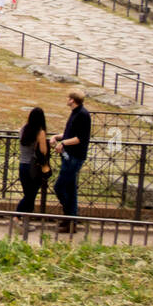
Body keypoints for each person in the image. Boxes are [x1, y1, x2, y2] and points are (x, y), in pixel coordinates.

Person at [51, 89, 91, 231]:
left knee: (59, 187)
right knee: (70, 189)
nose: (66, 99)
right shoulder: (76, 113)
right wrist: (57, 137)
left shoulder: (83, 115)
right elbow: (70, 134)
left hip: (74, 157)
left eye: (68, 97)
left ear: (72, 100)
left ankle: (69, 217)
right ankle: (71, 221)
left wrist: (63, 143)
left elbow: (80, 138)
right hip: (70, 156)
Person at [16, 107, 50, 214]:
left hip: (22, 165)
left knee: (28, 194)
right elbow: (43, 151)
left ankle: (26, 220)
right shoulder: (40, 132)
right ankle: (17, 216)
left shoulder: (23, 129)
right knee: (31, 195)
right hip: (33, 167)